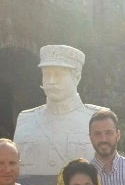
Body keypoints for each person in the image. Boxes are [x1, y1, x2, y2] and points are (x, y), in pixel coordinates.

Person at [14, 45, 107, 176]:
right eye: (47, 74)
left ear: (77, 77)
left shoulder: (97, 119)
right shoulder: (25, 119)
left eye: (58, 75)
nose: (51, 81)